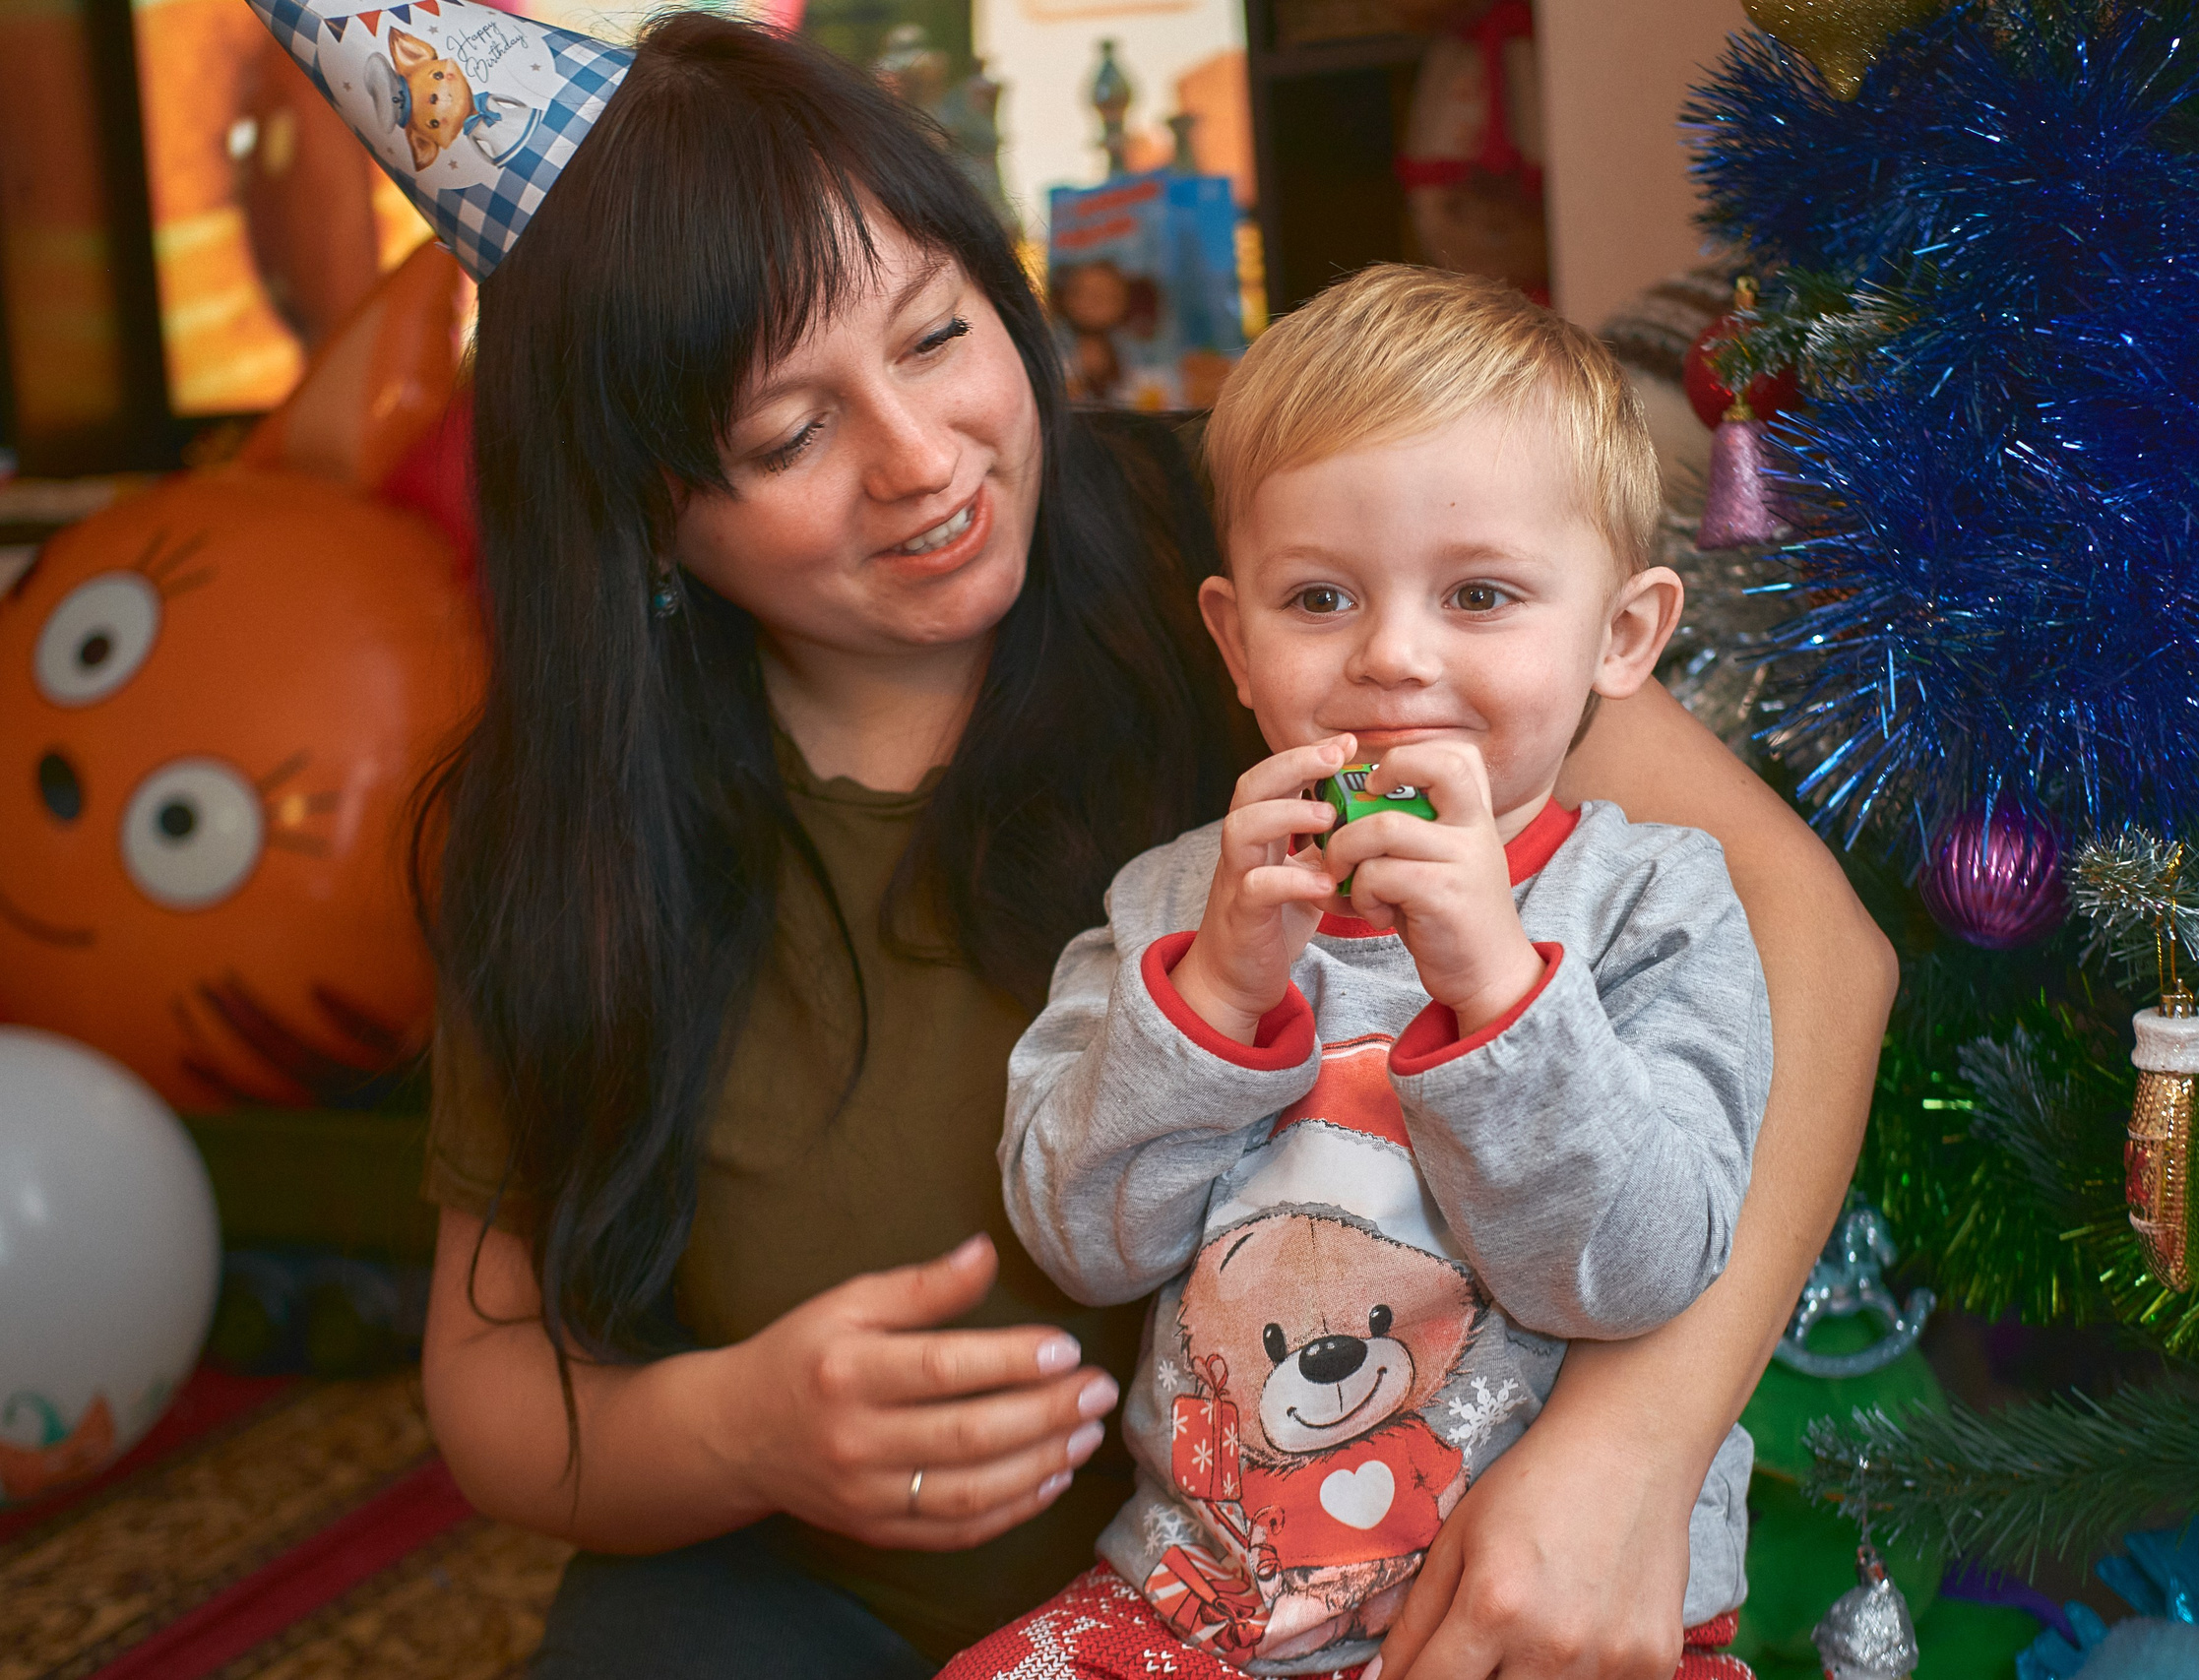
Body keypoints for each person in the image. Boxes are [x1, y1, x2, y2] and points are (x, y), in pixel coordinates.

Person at [359, 14, 1893, 1678]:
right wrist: (743, 1432)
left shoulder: (1304, 555)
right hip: (886, 1609)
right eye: (789, 435)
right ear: (643, 506)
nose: (924, 461)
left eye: (939, 336)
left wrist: (1632, 1456)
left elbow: (1813, 948)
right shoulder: (567, 830)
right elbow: (496, 1392)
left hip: (1418, 1575)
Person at [956, 265, 1767, 1678]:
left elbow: (1636, 1270)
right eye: (1322, 596)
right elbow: (1084, 1238)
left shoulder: (1654, 901)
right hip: (1205, 1604)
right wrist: (1210, 997)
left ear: (1622, 635)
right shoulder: (1170, 899)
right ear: (1235, 640)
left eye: (1481, 595)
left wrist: (1501, 989)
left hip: (1564, 1626)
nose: (1394, 657)